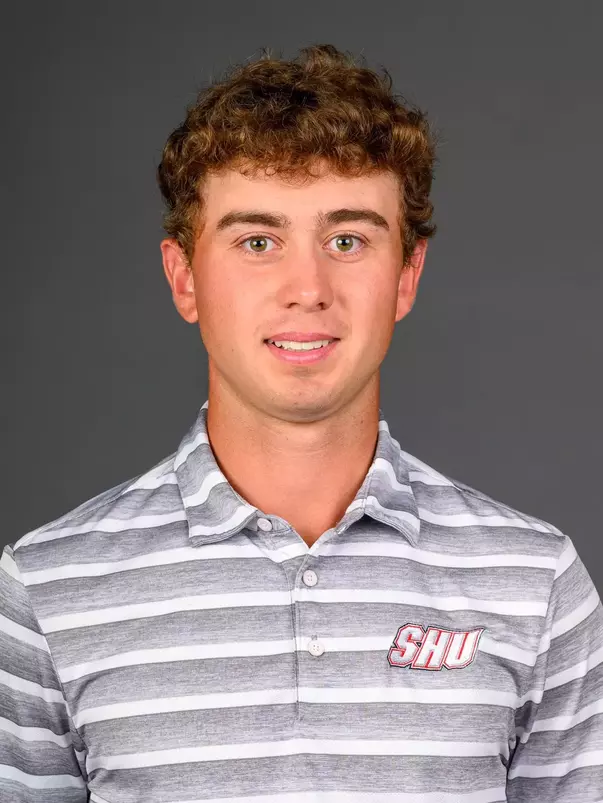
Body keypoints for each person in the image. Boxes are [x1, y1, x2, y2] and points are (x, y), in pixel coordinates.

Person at [1, 43, 601, 803]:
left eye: (347, 240)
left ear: (406, 276)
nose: (307, 288)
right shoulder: (46, 590)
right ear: (185, 280)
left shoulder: (536, 583)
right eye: (258, 242)